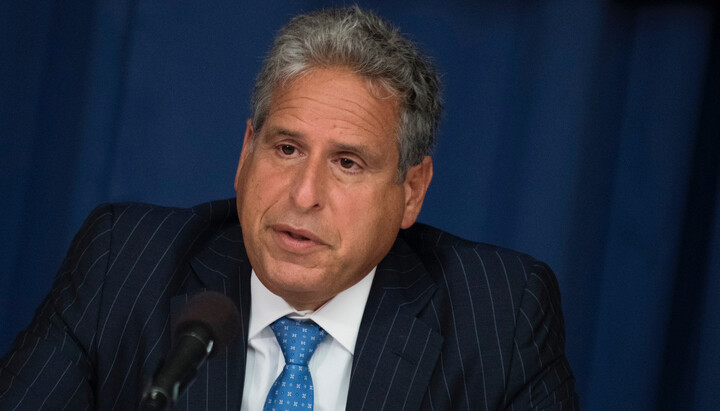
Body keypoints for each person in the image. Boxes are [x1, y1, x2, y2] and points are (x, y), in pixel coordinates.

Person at [0, 6, 577, 410]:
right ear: (245, 153)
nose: (304, 195)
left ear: (411, 191)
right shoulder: (125, 265)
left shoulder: (497, 317)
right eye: (286, 149)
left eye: (347, 163)